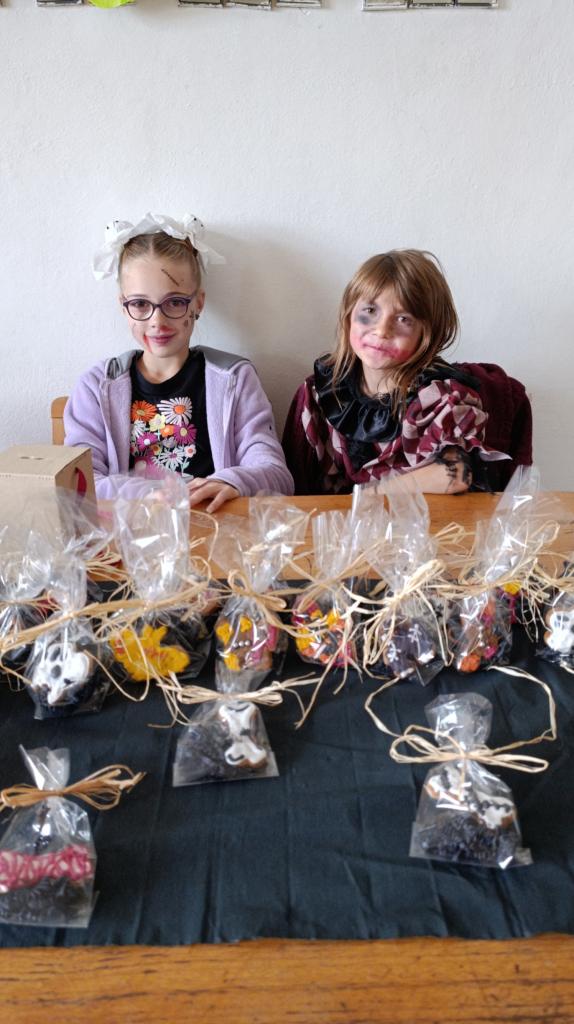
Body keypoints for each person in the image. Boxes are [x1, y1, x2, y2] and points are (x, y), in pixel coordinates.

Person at [64, 213, 293, 511]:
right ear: (123, 305)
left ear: (198, 302)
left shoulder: (235, 379)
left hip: (214, 526)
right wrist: (149, 495)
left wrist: (233, 482)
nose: (157, 321)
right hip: (133, 531)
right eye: (140, 304)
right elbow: (80, 483)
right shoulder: (96, 386)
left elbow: (276, 475)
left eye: (175, 302)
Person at [282, 249, 525, 496]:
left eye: (403, 319)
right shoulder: (320, 394)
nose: (382, 330)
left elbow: (457, 474)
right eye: (370, 311)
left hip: (420, 520)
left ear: (426, 335)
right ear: (348, 316)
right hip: (334, 521)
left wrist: (370, 497)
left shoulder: (440, 399)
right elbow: (294, 488)